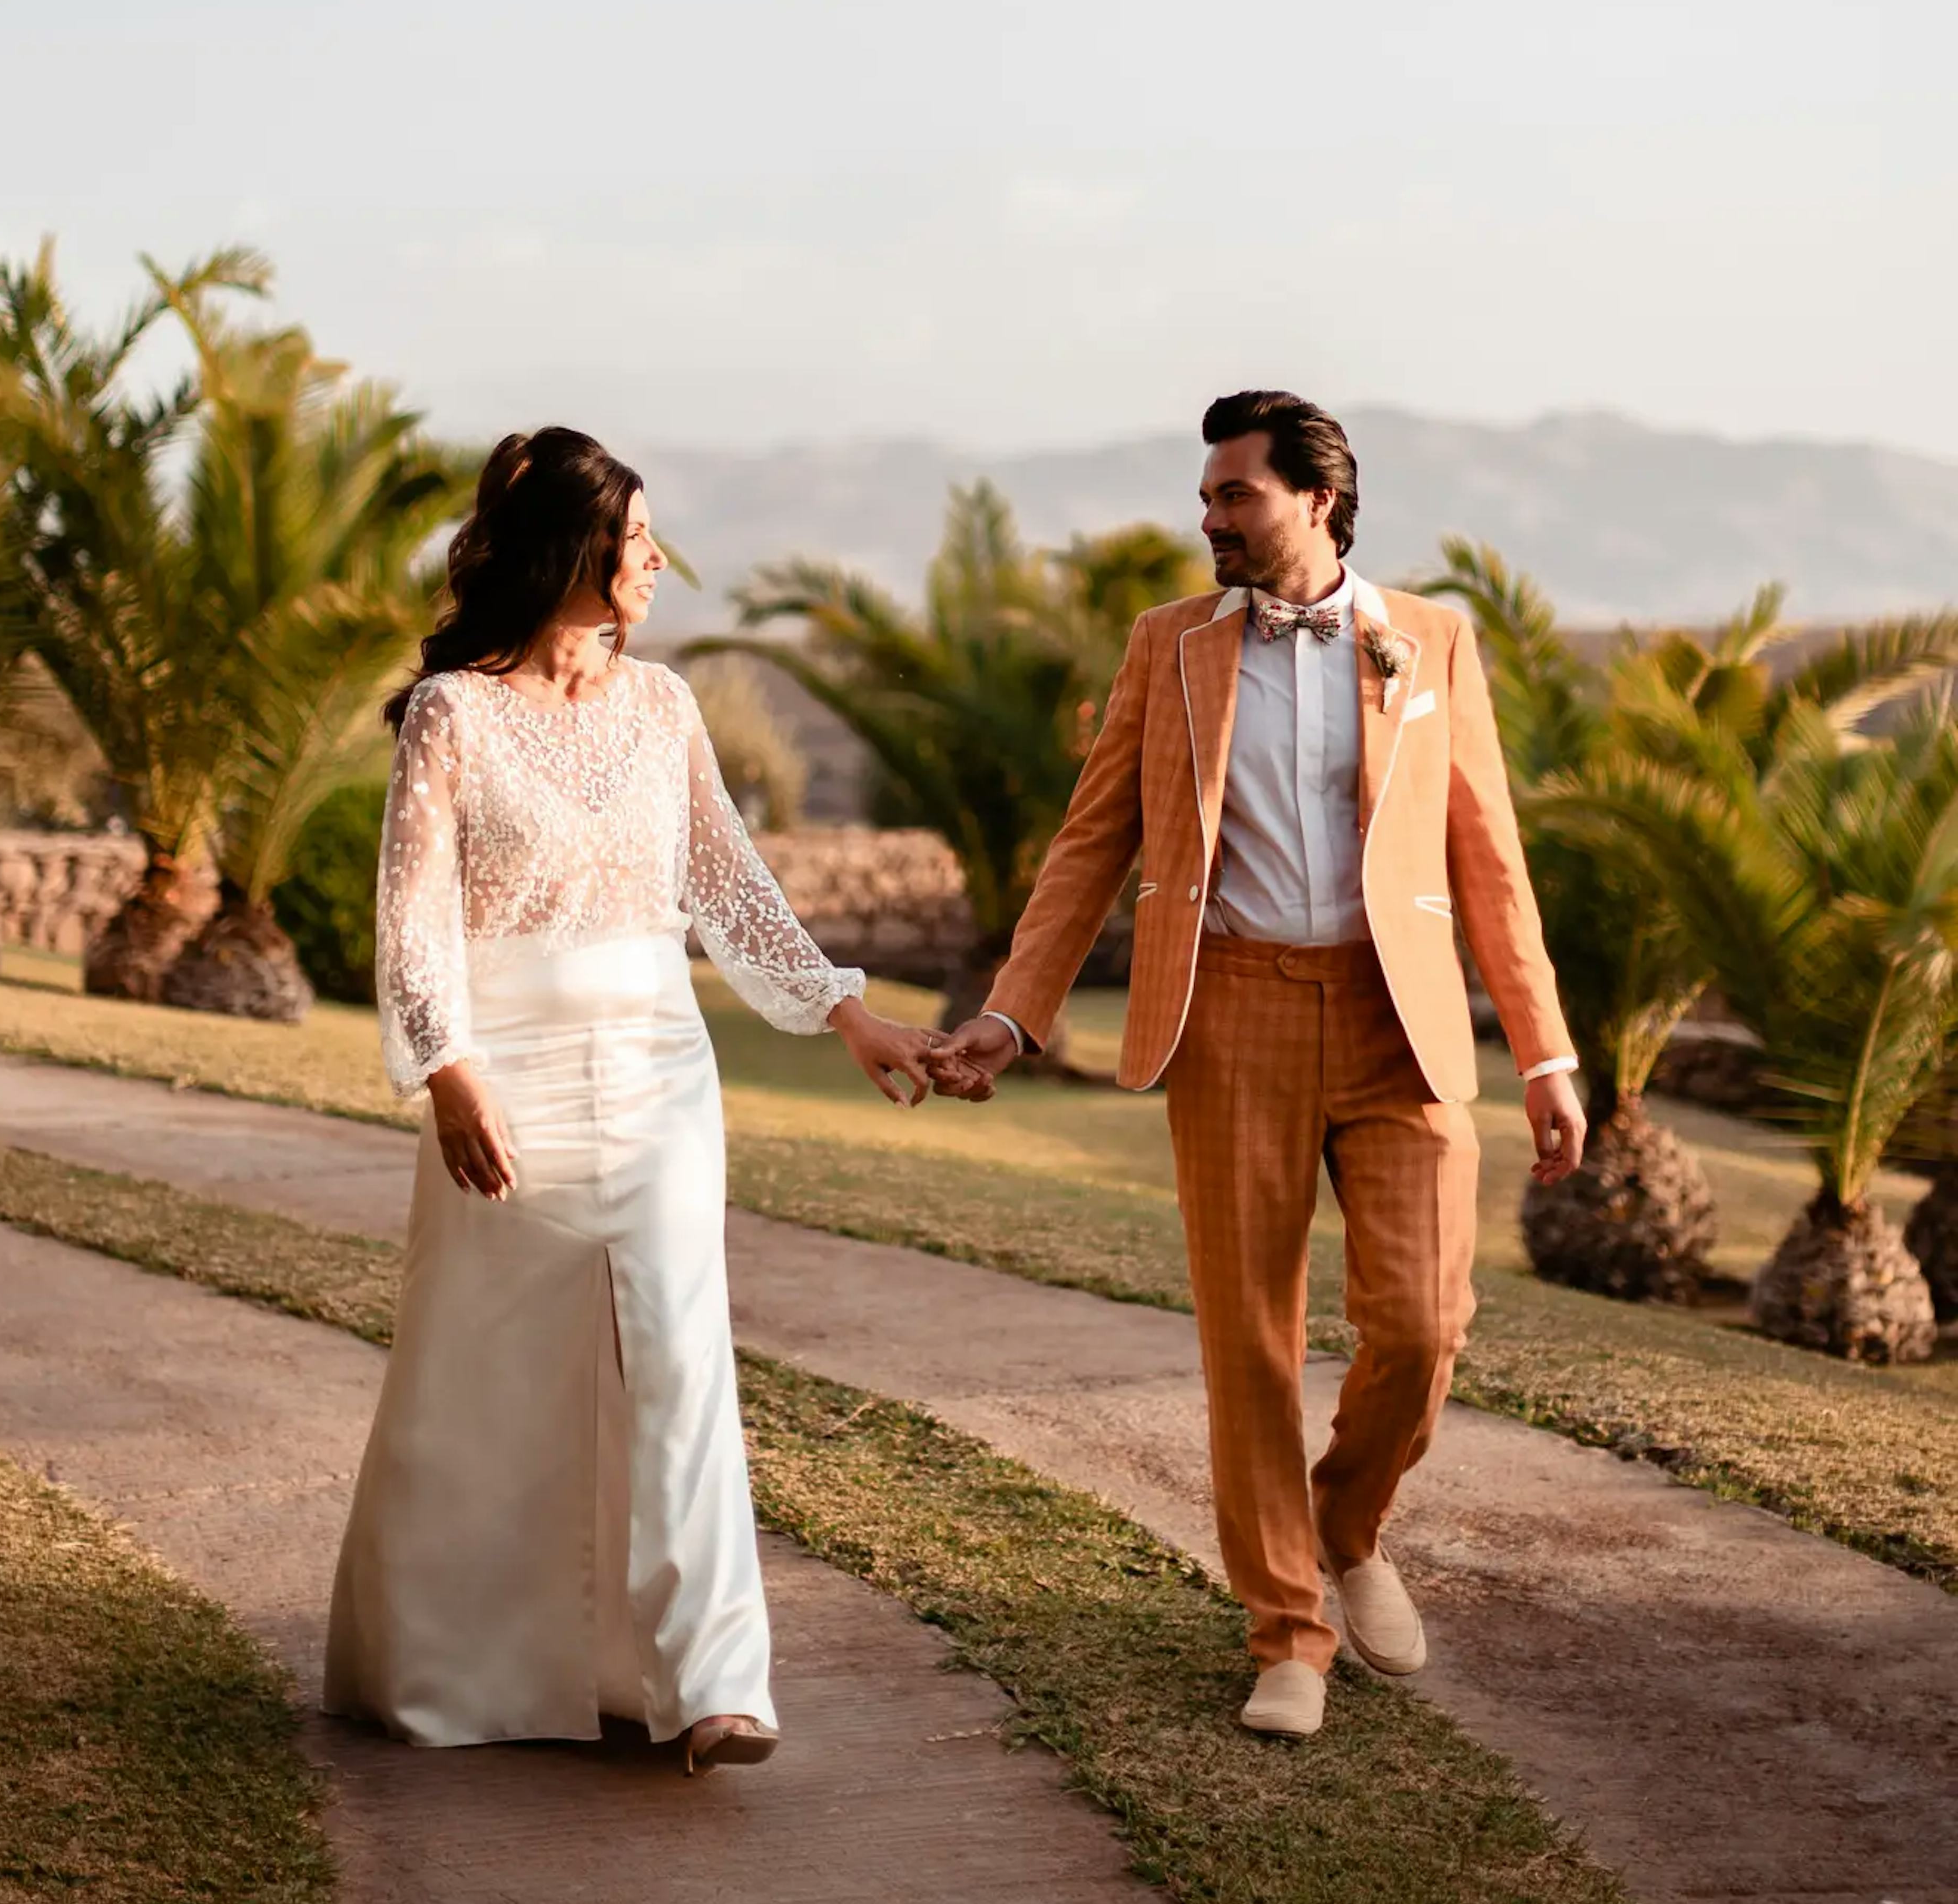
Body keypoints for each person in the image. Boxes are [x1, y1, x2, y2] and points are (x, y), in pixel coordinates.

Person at [930, 390, 1586, 1742]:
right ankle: (1288, 1630)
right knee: (1253, 1343)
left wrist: (1546, 1052)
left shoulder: (1433, 645)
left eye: (1236, 495)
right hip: (1229, 1014)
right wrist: (1014, 1012)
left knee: (1424, 1323)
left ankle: (1349, 1524)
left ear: (1318, 501)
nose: (1210, 518)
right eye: (1209, 495)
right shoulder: (1169, 647)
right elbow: (1088, 843)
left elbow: (1490, 861)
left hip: (1395, 1016)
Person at [324, 428, 942, 1772]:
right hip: (507, 1062)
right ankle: (455, 1663)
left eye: (656, 539)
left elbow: (730, 885)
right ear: (569, 551)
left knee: (676, 1349)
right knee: (486, 1361)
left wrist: (845, 1011)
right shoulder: (453, 713)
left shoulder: (662, 707)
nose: (657, 563)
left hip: (661, 1061)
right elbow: (413, 916)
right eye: (634, 541)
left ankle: (712, 1680)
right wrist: (447, 1071)